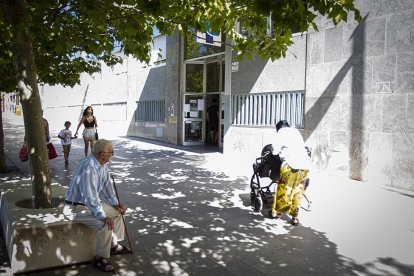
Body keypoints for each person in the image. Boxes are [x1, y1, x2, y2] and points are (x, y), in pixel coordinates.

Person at [63, 139, 131, 273]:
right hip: (76, 208)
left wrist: (116, 204)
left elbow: (107, 188)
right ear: (102, 154)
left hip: (88, 205)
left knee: (118, 213)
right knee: (105, 224)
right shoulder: (89, 167)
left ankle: (113, 245)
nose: (113, 154)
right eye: (111, 152)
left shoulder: (102, 165)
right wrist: (103, 216)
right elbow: (90, 197)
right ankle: (99, 258)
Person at [269, 120, 311, 226]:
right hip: (305, 166)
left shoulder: (281, 133)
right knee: (298, 191)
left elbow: (274, 151)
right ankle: (294, 218)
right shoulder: (296, 131)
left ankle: (276, 213)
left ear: (278, 128)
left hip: (290, 165)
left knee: (283, 189)